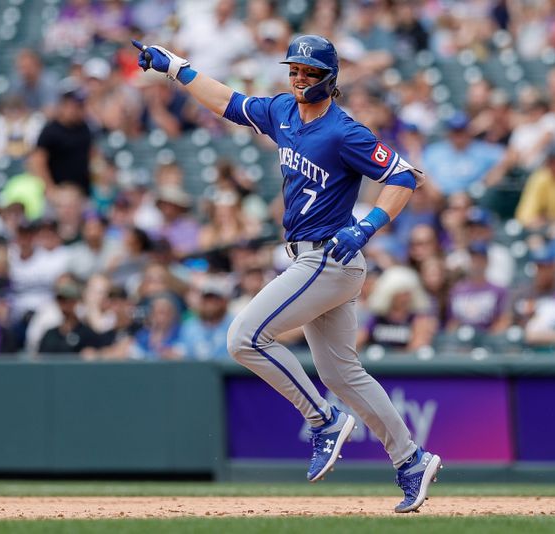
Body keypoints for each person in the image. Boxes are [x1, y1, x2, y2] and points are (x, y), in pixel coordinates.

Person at [133, 33, 440, 512]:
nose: (299, 78)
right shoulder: (282, 112)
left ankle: (322, 421)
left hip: (330, 257)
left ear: (330, 78)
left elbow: (402, 177)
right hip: (310, 258)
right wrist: (176, 68)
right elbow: (229, 103)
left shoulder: (343, 131)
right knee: (343, 374)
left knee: (244, 337)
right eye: (294, 69)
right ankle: (411, 461)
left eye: (309, 72)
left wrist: (365, 227)